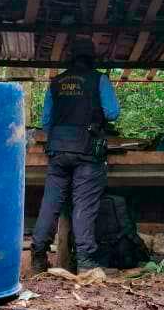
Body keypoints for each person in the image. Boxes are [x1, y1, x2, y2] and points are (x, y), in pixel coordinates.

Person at [31, 37, 120, 273]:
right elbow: (112, 113)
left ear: (70, 57)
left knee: (50, 203)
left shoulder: (56, 82)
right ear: (92, 58)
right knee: (84, 205)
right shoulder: (99, 79)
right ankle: (86, 262)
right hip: (87, 151)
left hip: (57, 150)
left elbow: (46, 122)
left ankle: (38, 257)